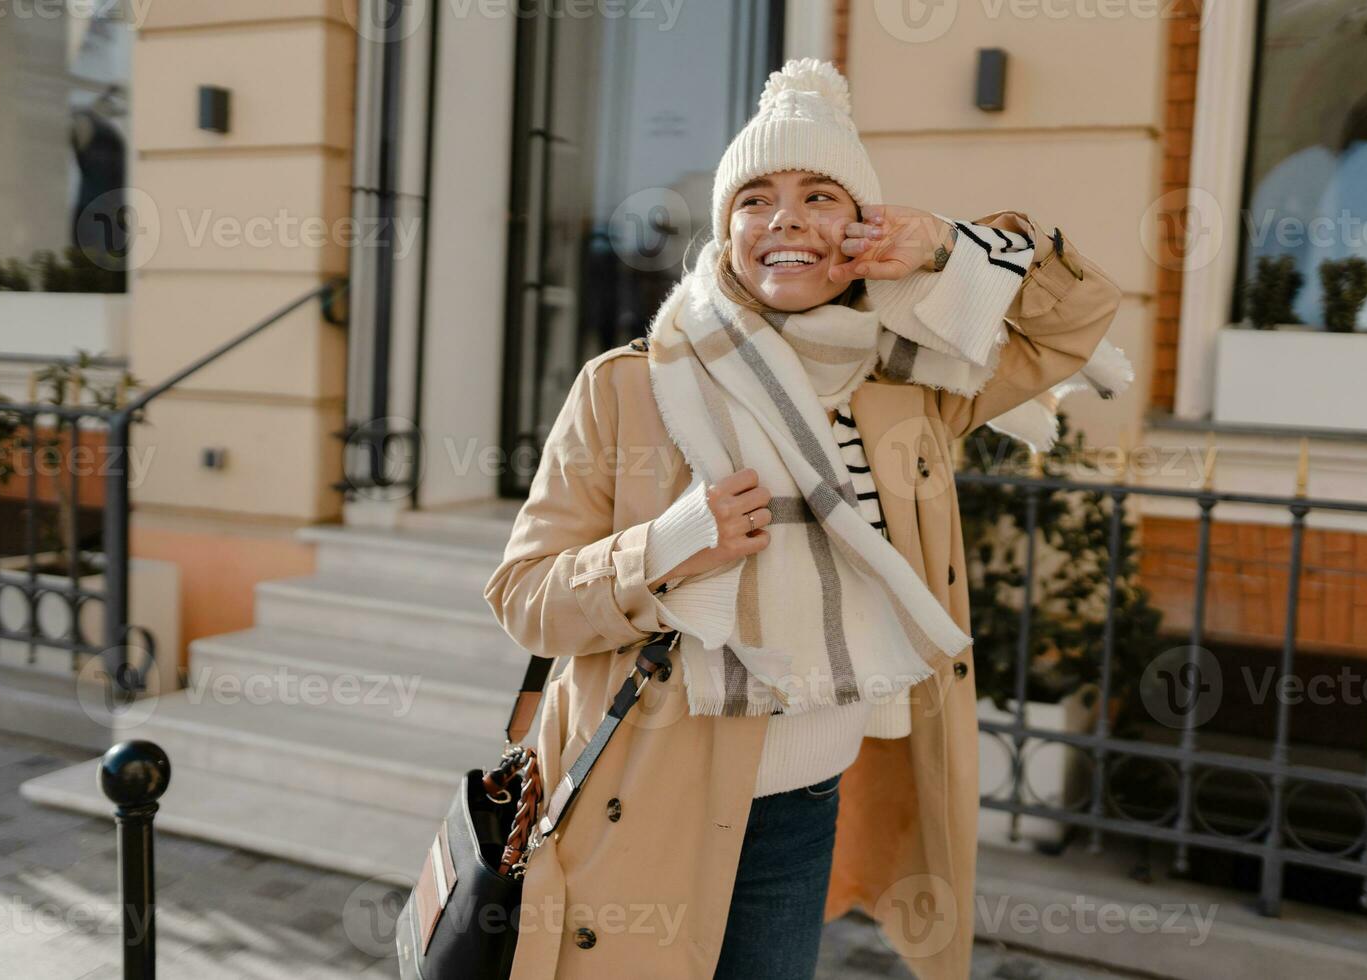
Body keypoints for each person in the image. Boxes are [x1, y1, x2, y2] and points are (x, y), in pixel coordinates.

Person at [483, 57, 1130, 980]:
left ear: (864, 228)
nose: (784, 218)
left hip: (801, 806)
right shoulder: (628, 387)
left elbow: (1077, 317)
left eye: (821, 194)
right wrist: (667, 549)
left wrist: (947, 248)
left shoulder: (908, 384)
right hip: (647, 795)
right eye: (756, 198)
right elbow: (524, 597)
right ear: (726, 229)